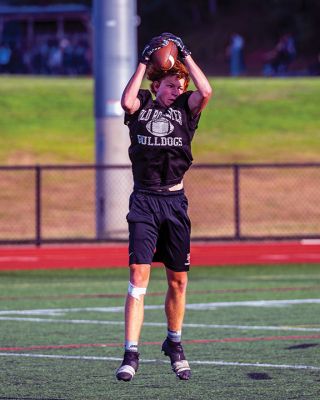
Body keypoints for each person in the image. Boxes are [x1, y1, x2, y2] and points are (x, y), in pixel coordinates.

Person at [115, 32, 212, 382]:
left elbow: (207, 92)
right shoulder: (143, 102)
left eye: (178, 87)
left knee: (178, 282)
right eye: (171, 86)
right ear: (158, 86)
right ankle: (131, 352)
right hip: (144, 199)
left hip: (174, 201)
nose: (175, 92)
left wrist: (185, 56)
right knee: (138, 277)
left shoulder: (187, 109)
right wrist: (144, 61)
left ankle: (174, 343)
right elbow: (125, 102)